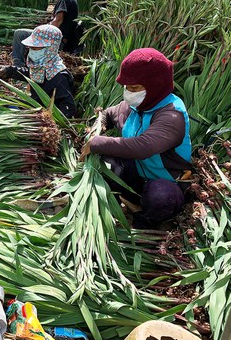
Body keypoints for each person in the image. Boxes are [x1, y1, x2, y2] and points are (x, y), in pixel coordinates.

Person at [80, 48, 192, 228]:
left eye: (134, 88)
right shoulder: (134, 105)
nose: (128, 93)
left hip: (164, 182)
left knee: (162, 198)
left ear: (155, 85)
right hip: (136, 175)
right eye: (126, 87)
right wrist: (97, 127)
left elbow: (143, 147)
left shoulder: (172, 114)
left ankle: (143, 226)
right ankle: (115, 205)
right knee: (105, 162)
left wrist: (95, 143)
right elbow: (107, 114)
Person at [0, 0, 81, 81]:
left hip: (54, 41)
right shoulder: (73, 0)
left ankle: (18, 66)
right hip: (63, 41)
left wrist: (42, 31)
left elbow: (58, 20)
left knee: (19, 34)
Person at [5, 25, 75, 118]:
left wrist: (47, 120)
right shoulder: (42, 66)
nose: (31, 52)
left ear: (50, 49)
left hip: (42, 116)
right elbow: (29, 74)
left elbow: (68, 108)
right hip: (35, 106)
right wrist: (10, 71)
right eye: (30, 48)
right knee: (5, 104)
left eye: (35, 49)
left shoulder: (59, 77)